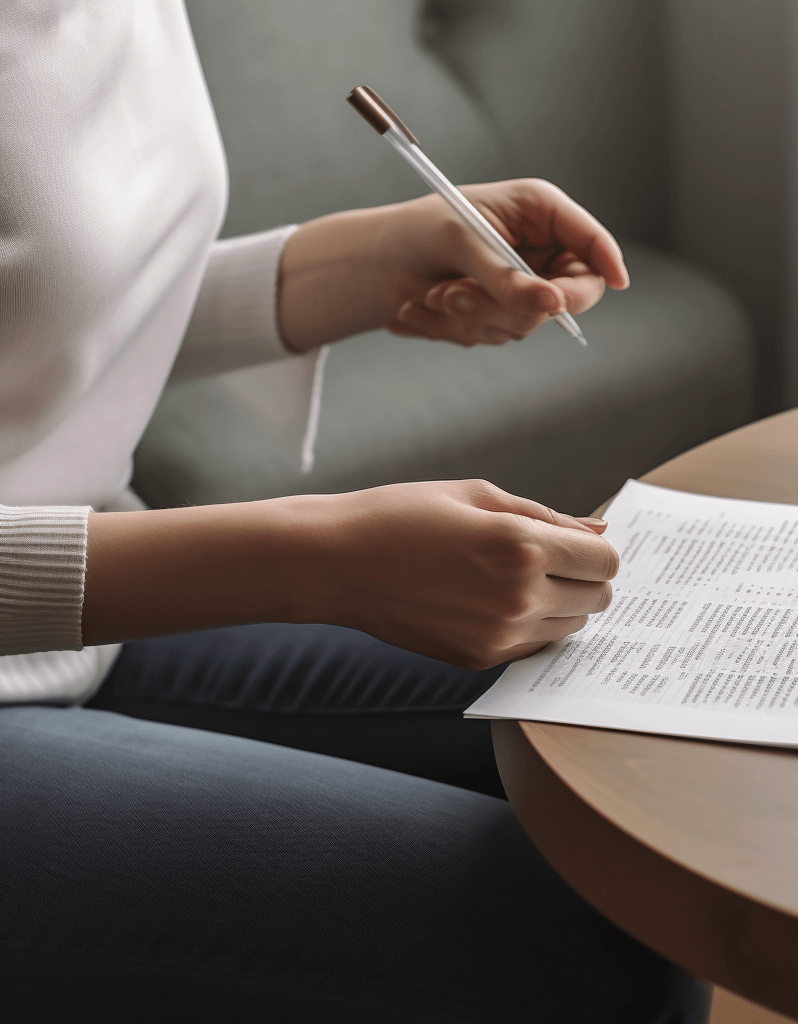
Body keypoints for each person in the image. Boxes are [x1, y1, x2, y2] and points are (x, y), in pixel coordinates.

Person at [0, 3, 712, 1021]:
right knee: (580, 946)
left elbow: (38, 300)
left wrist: (368, 258)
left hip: (79, 619)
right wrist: (315, 557)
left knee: (654, 727)